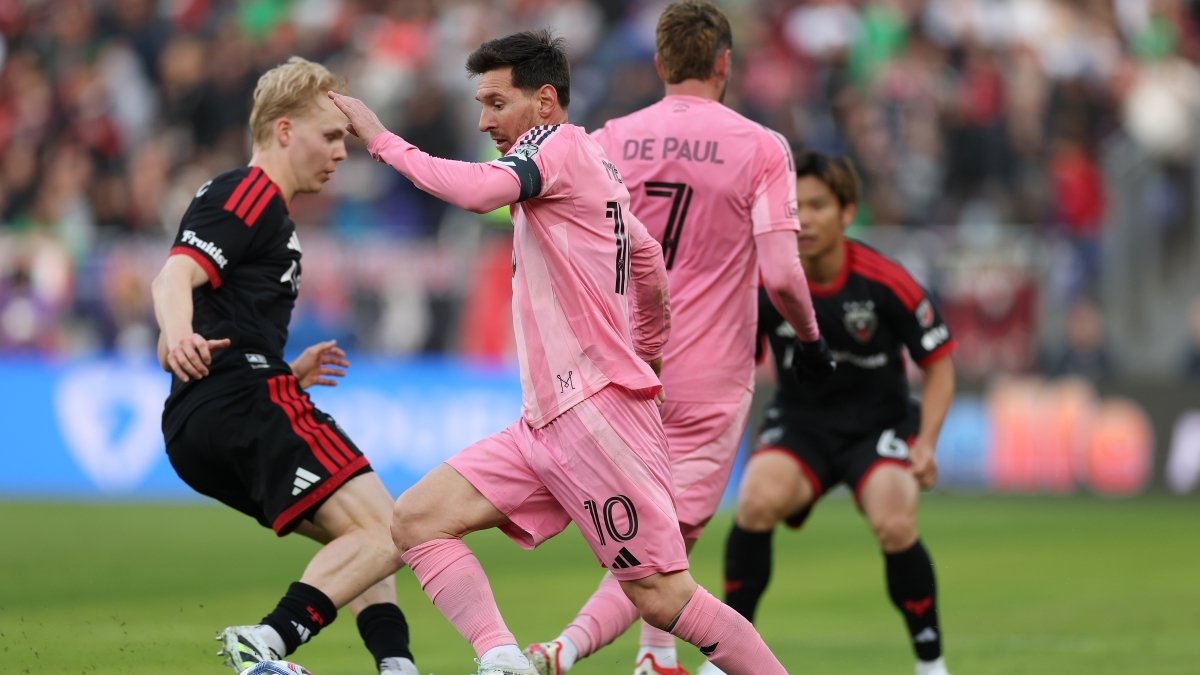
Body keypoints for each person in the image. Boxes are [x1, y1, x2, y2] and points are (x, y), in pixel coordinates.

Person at [328, 30, 790, 675]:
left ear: (544, 101)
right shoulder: (592, 162)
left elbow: (478, 194)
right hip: (547, 421)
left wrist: (381, 138)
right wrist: (648, 350)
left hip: (594, 416)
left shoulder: (557, 145)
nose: (484, 121)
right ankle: (503, 660)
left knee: (662, 597)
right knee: (418, 520)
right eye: (480, 105)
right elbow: (647, 260)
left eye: (496, 103)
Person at [523, 3, 832, 674]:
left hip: (620, 365)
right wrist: (810, 341)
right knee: (666, 549)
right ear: (725, 63)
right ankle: (562, 650)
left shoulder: (607, 138)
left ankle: (656, 655)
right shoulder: (760, 146)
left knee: (653, 533)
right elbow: (783, 273)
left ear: (660, 63)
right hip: (709, 374)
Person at [150, 57, 418, 675]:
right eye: (331, 136)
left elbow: (186, 335)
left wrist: (282, 368)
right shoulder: (249, 193)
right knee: (395, 528)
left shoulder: (261, 212)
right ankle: (265, 642)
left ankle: (396, 665)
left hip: (201, 417)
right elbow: (172, 277)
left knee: (362, 538)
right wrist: (182, 333)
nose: (341, 153)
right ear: (285, 130)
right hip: (242, 399)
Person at [701, 152, 957, 675]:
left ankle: (931, 665)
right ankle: (726, 657)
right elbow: (732, 362)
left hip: (879, 426)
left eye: (818, 206)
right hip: (802, 424)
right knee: (755, 502)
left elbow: (939, 364)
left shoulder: (886, 281)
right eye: (796, 208)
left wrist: (927, 443)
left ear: (847, 212)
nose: (806, 220)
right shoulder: (765, 283)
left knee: (894, 521)